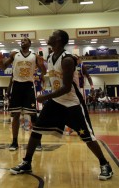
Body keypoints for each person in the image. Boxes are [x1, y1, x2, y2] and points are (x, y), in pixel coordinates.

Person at [10, 30, 113, 181]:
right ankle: (27, 162)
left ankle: (105, 164)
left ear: (58, 40)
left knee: (87, 136)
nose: (49, 36)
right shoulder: (50, 57)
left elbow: (66, 88)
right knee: (36, 130)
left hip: (72, 103)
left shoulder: (67, 60)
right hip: (56, 102)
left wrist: (45, 96)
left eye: (52, 35)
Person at [0, 38, 46, 151]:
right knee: (16, 115)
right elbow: (3, 68)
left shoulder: (34, 56)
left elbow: (43, 72)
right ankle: (14, 142)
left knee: (33, 116)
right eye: (22, 40)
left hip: (29, 86)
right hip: (17, 86)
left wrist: (42, 64)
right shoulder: (14, 54)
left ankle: (37, 141)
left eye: (25, 40)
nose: (23, 41)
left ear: (30, 43)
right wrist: (0, 60)